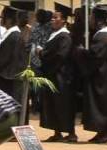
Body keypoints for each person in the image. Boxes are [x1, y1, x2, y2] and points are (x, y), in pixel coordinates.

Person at [36, 3, 77, 142]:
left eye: (55, 17)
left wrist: (42, 53)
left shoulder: (65, 36)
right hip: (53, 75)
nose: (52, 20)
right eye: (52, 18)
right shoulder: (54, 35)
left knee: (64, 105)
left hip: (62, 76)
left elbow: (60, 56)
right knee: (54, 104)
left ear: (64, 20)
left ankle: (71, 134)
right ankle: (57, 132)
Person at [78, 7, 107, 143]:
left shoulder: (103, 37)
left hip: (102, 79)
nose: (89, 20)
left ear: (98, 20)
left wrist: (81, 51)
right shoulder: (104, 36)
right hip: (104, 76)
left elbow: (94, 57)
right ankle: (104, 132)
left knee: (102, 104)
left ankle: (105, 133)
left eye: (91, 18)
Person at [0, 5, 27, 103]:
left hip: (8, 79)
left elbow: (5, 57)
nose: (0, 19)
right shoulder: (13, 34)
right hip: (9, 78)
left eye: (2, 17)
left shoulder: (14, 36)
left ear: (8, 20)